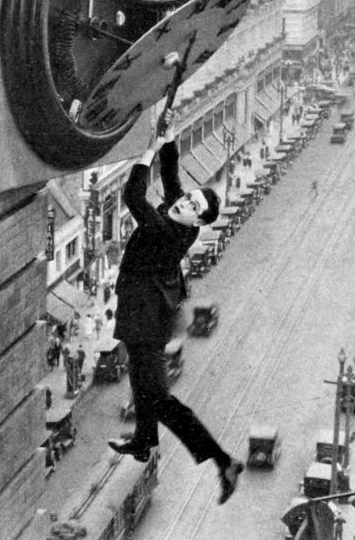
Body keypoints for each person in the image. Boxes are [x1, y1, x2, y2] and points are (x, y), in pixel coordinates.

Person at [107, 111, 243, 505]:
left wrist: (147, 149)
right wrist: (167, 137)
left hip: (147, 314)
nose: (183, 200)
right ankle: (144, 439)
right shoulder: (180, 213)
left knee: (158, 397)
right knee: (140, 376)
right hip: (148, 304)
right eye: (188, 197)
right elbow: (171, 176)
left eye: (191, 203)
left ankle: (222, 460)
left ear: (198, 220)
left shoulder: (169, 230)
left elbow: (132, 196)